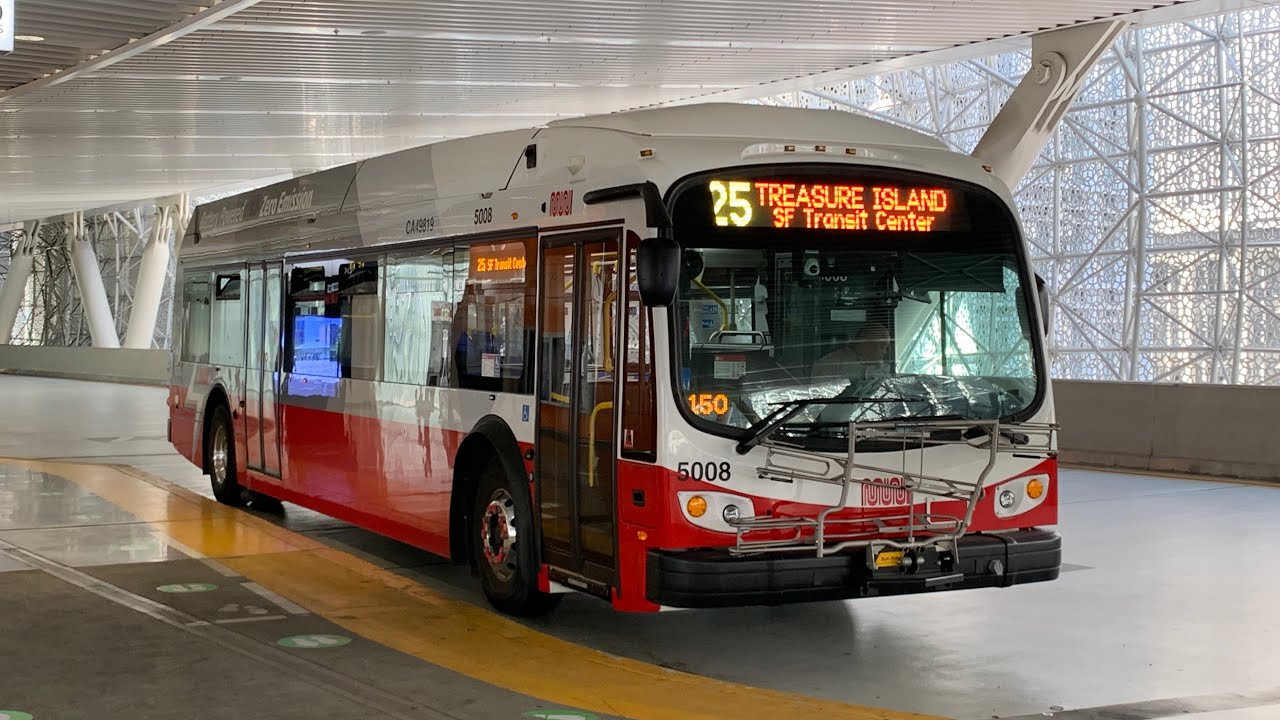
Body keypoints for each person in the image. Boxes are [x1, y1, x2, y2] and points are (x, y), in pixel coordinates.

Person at [810, 322, 893, 387]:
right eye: (881, 347)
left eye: (886, 348)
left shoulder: (882, 368)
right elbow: (819, 398)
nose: (885, 352)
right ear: (864, 343)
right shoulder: (830, 363)